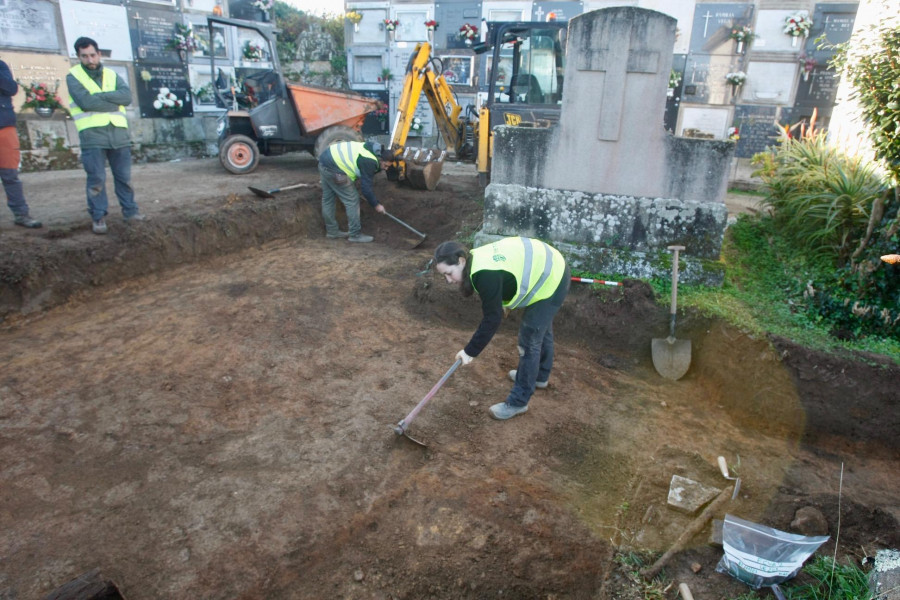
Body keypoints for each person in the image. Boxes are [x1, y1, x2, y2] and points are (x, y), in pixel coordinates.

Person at [434, 237, 570, 420]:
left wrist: (469, 352)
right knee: (540, 329)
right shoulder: (475, 263)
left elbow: (492, 319)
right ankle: (539, 377)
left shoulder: (484, 274)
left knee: (530, 338)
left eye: (449, 273)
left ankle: (518, 402)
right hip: (547, 267)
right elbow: (503, 280)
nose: (448, 280)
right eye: (444, 275)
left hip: (552, 276)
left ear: (461, 261)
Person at [66, 36, 145, 235]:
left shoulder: (112, 74)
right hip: (93, 136)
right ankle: (98, 215)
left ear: (99, 54)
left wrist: (98, 98)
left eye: (93, 55)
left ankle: (130, 211)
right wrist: (111, 100)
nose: (90, 60)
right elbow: (86, 103)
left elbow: (126, 97)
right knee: (96, 179)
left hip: (118, 135)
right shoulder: (73, 76)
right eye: (84, 56)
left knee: (124, 178)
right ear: (78, 57)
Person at [317, 140, 393, 243]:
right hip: (335, 170)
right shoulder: (369, 161)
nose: (386, 169)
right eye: (385, 165)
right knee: (352, 200)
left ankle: (332, 231)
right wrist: (376, 205)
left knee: (328, 198)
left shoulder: (373, 148)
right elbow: (366, 190)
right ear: (380, 159)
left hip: (324, 161)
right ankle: (355, 234)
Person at [0, 58, 42, 230]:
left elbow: (11, 88)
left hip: (4, 127)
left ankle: (21, 214)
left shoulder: (1, 66)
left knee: (10, 175)